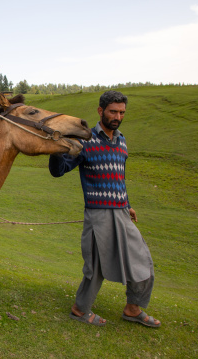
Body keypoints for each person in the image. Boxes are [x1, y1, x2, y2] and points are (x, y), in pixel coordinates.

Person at [48, 90, 161, 327]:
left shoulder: (122, 141)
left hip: (121, 212)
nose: (117, 116)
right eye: (113, 111)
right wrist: (57, 149)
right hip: (98, 213)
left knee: (142, 259)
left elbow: (119, 177)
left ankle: (132, 308)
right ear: (101, 111)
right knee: (96, 265)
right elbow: (58, 171)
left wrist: (127, 205)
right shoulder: (85, 141)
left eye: (121, 112)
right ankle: (80, 309)